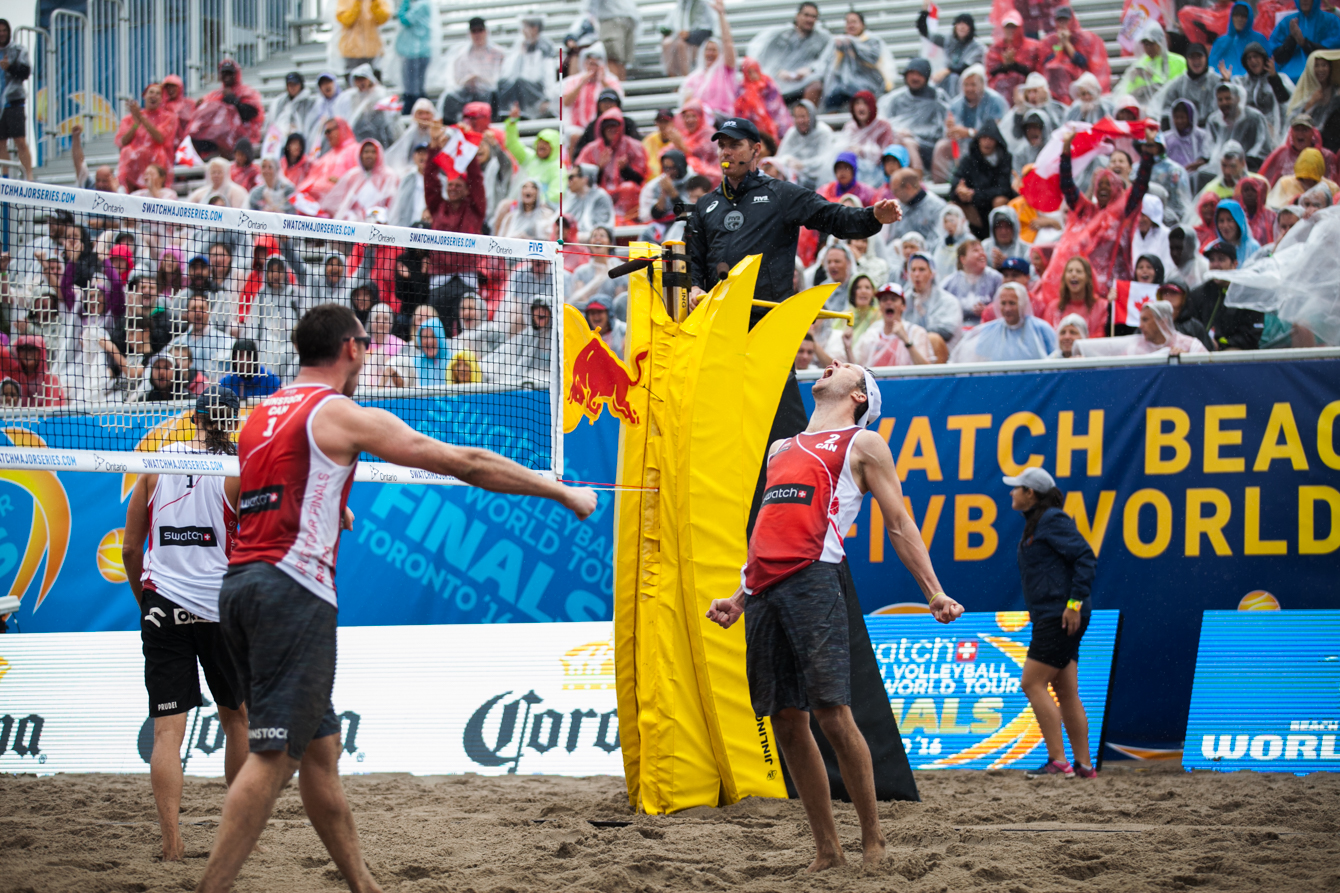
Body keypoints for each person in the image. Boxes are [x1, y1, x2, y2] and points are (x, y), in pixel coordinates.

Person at [195, 304, 596, 893]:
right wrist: (560, 492)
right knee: (275, 756)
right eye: (368, 343)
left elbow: (255, 488)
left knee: (321, 751)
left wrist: (330, 504)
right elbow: (465, 462)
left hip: (240, 587)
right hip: (292, 590)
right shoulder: (338, 413)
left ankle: (364, 885)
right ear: (352, 348)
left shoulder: (260, 415)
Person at [706, 361, 961, 872]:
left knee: (832, 715)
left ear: (860, 396)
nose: (829, 365)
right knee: (784, 718)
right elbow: (768, 532)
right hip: (765, 589)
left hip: (815, 579)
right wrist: (739, 595)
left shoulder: (863, 444)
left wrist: (933, 591)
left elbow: (899, 522)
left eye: (845, 367)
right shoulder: (782, 448)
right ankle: (827, 850)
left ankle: (873, 844)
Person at [121, 386, 248, 861]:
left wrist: (145, 602)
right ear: (231, 423)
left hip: (162, 606)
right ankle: (235, 835)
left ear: (193, 419)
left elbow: (132, 549)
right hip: (219, 607)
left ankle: (171, 845)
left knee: (167, 733)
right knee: (237, 719)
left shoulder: (155, 464)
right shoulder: (240, 471)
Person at [1000, 466, 1098, 780]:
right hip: (1057, 614)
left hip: (1060, 615)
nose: (1012, 492)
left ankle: (1058, 760)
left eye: (1017, 487)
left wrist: (1073, 603)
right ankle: (1083, 765)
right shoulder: (1038, 523)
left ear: (1031, 493)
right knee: (1066, 690)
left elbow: (1086, 556)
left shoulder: (1051, 520)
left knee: (1031, 682)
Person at [934, 65, 1009, 183]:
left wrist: (969, 133)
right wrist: (950, 129)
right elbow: (949, 131)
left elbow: (998, 131)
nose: (969, 89)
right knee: (941, 147)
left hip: (987, 142)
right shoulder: (955, 104)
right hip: (961, 144)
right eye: (966, 85)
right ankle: (943, 183)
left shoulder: (995, 101)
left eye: (973, 85)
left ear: (982, 84)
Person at [748, 2, 833, 105]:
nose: (809, 19)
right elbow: (760, 53)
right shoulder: (780, 34)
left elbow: (826, 59)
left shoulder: (822, 38)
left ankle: (807, 117)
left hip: (803, 80)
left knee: (816, 85)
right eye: (806, 15)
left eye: (813, 16)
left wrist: (810, 69)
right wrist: (776, 71)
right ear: (798, 16)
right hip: (778, 79)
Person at [950, 282, 1057, 362]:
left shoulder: (1041, 329)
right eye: (1003, 303)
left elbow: (1056, 357)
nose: (1007, 309)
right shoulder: (988, 331)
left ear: (1023, 303)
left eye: (1012, 303)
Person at [1188, 240, 1264, 348]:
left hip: (1235, 352)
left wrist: (1223, 344)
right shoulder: (1198, 294)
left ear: (1235, 264)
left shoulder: (1247, 294)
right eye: (1212, 260)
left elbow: (1251, 335)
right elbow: (1190, 328)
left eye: (1221, 259)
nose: (1215, 265)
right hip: (1202, 350)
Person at [876, 59, 947, 173]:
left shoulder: (937, 98)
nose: (914, 78)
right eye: (911, 74)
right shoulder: (895, 99)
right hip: (899, 142)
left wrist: (913, 135)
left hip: (928, 148)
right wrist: (898, 133)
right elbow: (883, 121)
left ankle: (916, 178)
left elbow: (942, 128)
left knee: (908, 143)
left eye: (919, 74)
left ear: (926, 77)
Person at [576, 107, 648, 221]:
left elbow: (641, 178)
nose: (611, 130)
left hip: (624, 194)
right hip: (599, 192)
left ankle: (626, 220)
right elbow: (580, 179)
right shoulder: (591, 149)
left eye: (614, 126)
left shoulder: (634, 146)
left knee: (628, 188)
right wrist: (599, 168)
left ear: (621, 127)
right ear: (601, 128)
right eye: (608, 126)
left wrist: (625, 169)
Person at [185, 59, 265, 159]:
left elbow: (251, 113)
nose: (227, 76)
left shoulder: (246, 92)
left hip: (241, 139)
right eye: (224, 73)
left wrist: (232, 100)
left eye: (230, 73)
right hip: (216, 142)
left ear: (236, 74)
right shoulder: (215, 94)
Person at [949, 119, 1015, 237]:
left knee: (1000, 200)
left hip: (991, 205)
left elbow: (1004, 189)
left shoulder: (1004, 159)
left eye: (991, 139)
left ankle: (999, 236)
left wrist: (974, 195)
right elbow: (956, 182)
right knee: (953, 206)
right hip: (974, 208)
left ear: (997, 141)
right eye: (984, 138)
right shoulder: (969, 160)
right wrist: (960, 191)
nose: (987, 142)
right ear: (978, 140)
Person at [821, 10, 892, 110]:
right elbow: (828, 65)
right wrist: (840, 49)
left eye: (854, 22)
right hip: (844, 85)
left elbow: (872, 59)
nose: (851, 25)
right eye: (848, 22)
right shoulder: (840, 42)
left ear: (862, 25)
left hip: (869, 83)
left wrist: (853, 46)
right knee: (832, 99)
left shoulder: (872, 41)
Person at [439, 17, 506, 123]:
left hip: (488, 93)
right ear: (469, 34)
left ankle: (492, 123)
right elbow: (456, 80)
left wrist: (482, 80)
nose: (477, 34)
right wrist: (468, 80)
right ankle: (453, 128)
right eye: (474, 31)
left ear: (486, 32)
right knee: (450, 97)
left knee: (493, 95)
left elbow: (502, 78)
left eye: (480, 30)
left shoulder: (498, 53)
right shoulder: (461, 55)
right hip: (467, 92)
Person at [116, 84, 178, 192]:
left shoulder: (168, 117)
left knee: (147, 153)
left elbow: (160, 138)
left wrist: (141, 118)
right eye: (151, 92)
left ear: (162, 99)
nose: (154, 95)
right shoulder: (129, 118)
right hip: (135, 161)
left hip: (157, 160)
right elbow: (123, 142)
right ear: (144, 95)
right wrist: (136, 124)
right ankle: (130, 192)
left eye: (158, 93)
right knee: (128, 152)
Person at [852, 283, 932, 366]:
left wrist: (906, 341)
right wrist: (847, 345)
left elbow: (927, 371)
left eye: (893, 299)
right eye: (884, 299)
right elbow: (858, 368)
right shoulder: (871, 334)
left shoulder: (916, 332)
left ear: (903, 306)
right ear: (880, 306)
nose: (888, 303)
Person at [1040, 6, 1110, 100]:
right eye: (1060, 21)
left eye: (1065, 21)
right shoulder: (1051, 40)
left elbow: (1082, 61)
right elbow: (1048, 61)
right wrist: (1060, 44)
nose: (1062, 24)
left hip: (1079, 76)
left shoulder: (1083, 38)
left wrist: (1067, 43)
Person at [499, 13, 559, 120]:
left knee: (520, 82)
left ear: (535, 28)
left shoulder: (545, 45)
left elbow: (548, 74)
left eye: (525, 27)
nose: (523, 31)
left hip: (535, 89)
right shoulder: (520, 43)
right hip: (520, 87)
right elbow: (509, 71)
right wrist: (521, 53)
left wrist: (547, 99)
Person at [917, 4, 985, 97]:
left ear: (971, 28)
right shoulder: (949, 40)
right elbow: (925, 32)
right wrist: (925, 11)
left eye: (965, 24)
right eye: (959, 24)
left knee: (953, 78)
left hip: (968, 82)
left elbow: (964, 67)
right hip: (947, 79)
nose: (962, 27)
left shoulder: (977, 47)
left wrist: (945, 71)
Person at [323, 139, 399, 223]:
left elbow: (393, 206)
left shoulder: (389, 176)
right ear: (360, 154)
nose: (369, 155)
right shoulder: (353, 175)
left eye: (373, 152)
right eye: (366, 152)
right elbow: (344, 205)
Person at [1116, 21, 1186, 106]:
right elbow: (1128, 90)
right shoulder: (1140, 64)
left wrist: (1152, 77)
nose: (1148, 48)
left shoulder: (1178, 61)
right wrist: (1133, 79)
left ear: (1160, 42)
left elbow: (1177, 87)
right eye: (1146, 44)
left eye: (1152, 44)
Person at [1206, 82, 1274, 169]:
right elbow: (1209, 148)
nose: (1224, 103)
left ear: (1237, 99)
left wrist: (1242, 162)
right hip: (1220, 167)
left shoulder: (1253, 117)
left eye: (1228, 98)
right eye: (1220, 100)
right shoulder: (1214, 121)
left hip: (1250, 167)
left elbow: (1262, 146)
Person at [1268, 0, 1340, 81]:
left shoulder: (1330, 21)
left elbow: (1332, 51)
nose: (1305, 1)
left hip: (1321, 76)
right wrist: (1292, 38)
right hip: (1289, 79)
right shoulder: (1287, 22)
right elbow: (1276, 55)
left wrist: (1304, 43)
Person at [563, 45, 623, 137]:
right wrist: (581, 84)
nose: (593, 68)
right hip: (578, 128)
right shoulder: (573, 81)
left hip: (604, 127)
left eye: (596, 65)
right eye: (591, 64)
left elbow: (619, 101)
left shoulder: (611, 80)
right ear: (585, 64)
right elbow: (566, 103)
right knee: (575, 136)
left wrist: (602, 81)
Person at [777, 99, 837, 190]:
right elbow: (780, 156)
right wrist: (788, 160)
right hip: (794, 176)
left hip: (817, 177)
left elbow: (825, 160)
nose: (800, 121)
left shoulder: (824, 132)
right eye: (797, 117)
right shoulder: (792, 132)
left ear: (812, 116)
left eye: (803, 116)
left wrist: (803, 165)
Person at [941, 238, 1003, 326]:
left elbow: (1006, 308)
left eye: (982, 250)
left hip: (989, 328)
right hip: (958, 330)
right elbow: (941, 309)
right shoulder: (950, 283)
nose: (982, 253)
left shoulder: (996, 278)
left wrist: (988, 311)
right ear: (963, 259)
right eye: (976, 251)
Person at [0, 19, 33, 181]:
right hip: (0, 105)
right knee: (1, 143)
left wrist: (9, 67)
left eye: (4, 30)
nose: (2, 33)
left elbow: (25, 72)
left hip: (14, 101)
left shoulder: (18, 50)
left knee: (20, 140)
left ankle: (29, 176)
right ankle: (5, 176)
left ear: (9, 31)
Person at [985, 10, 1044, 100]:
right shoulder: (996, 48)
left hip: (1025, 86)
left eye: (1013, 27)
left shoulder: (1032, 46)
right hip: (1002, 89)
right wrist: (1004, 65)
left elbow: (1034, 71)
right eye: (1008, 27)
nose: (1010, 30)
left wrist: (1013, 64)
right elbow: (991, 72)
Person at [334, 65, 398, 148]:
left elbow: (388, 117)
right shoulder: (351, 96)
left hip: (379, 131)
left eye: (363, 79)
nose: (361, 82)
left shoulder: (379, 93)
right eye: (358, 80)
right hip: (360, 133)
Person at [1266, 144, 1339, 207]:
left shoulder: (1331, 188)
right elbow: (1274, 206)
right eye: (1304, 178)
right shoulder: (1285, 183)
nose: (1308, 181)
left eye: (1313, 180)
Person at [395, 0, 434, 109]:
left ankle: (415, 110)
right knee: (412, 88)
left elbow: (406, 20)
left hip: (417, 53)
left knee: (414, 90)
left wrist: (404, 4)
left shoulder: (422, 4)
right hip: (413, 52)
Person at [218, 339, 282, 399]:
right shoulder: (226, 383)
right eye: (240, 356)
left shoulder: (271, 380)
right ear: (234, 358)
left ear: (254, 357)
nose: (244, 360)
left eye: (248, 355)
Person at [336, 0, 389, 70]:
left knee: (373, 79)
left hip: (373, 50)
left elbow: (383, 18)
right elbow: (346, 20)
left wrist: (374, 3)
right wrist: (357, 3)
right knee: (354, 78)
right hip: (352, 51)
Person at [269, 72, 317, 140]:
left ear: (301, 85)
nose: (292, 87)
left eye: (295, 84)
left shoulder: (309, 104)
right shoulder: (279, 103)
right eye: (289, 85)